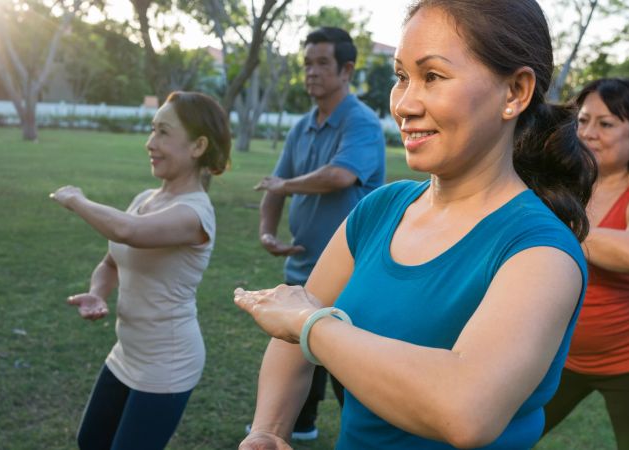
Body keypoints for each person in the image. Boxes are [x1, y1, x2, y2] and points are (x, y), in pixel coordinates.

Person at [233, 1, 596, 448]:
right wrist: (268, 430)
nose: (403, 105)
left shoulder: (541, 252)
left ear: (515, 92)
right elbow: (290, 338)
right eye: (401, 76)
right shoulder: (379, 210)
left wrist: (312, 325)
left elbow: (466, 410)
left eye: (433, 76)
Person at [49, 91, 231, 450]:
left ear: (197, 146)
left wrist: (77, 200)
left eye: (164, 132)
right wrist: (98, 292)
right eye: (152, 130)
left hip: (168, 362)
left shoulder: (194, 213)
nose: (151, 143)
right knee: (91, 441)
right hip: (127, 352)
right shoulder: (145, 199)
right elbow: (111, 262)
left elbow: (127, 232)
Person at [252, 26, 386, 440]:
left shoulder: (361, 122)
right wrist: (267, 232)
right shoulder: (302, 126)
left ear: (346, 70)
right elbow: (276, 184)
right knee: (295, 354)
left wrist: (285, 187)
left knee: (350, 368)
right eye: (307, 64)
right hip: (302, 269)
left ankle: (367, 434)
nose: (311, 72)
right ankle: (300, 428)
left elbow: (340, 176)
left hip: (352, 275)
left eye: (321, 63)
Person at [542, 78, 629, 450]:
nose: (588, 133)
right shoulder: (560, 187)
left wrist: (554, 228)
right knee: (502, 436)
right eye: (582, 121)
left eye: (606, 124)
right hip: (562, 353)